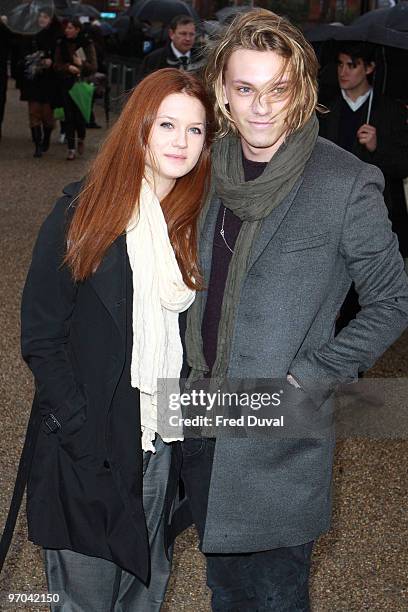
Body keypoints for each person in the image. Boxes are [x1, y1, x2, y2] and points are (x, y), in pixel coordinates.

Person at [180, 10, 408, 611]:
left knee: (278, 596)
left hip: (282, 421)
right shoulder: (197, 171)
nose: (261, 107)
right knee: (224, 590)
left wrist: (312, 377)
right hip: (202, 415)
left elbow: (392, 300)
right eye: (246, 89)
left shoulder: (344, 183)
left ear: (302, 90)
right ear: (223, 93)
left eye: (277, 89)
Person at [10, 68, 213, 611]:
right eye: (167, 124)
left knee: (143, 594)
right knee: (86, 598)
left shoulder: (194, 224)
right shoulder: (84, 213)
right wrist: (77, 426)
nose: (181, 141)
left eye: (196, 130)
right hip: (93, 446)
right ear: (139, 128)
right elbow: (42, 334)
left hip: (163, 440)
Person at [319, 41, 408, 261]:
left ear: (369, 68)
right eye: (340, 65)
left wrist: (377, 147)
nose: (343, 72)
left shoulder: (391, 111)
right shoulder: (325, 109)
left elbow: (403, 165)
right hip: (334, 216)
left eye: (352, 65)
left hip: (379, 215)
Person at [18, 9, 62, 157]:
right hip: (34, 81)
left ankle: (46, 138)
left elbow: (61, 58)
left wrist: (52, 62)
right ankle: (37, 144)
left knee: (48, 116)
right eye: (40, 17)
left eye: (45, 17)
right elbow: (22, 55)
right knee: (34, 113)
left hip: (50, 82)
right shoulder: (30, 36)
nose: (42, 19)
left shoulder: (56, 37)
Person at [54, 18, 97, 160]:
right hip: (66, 84)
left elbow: (93, 66)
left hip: (81, 85)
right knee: (68, 116)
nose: (67, 30)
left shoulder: (86, 43)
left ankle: (81, 138)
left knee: (79, 117)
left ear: (77, 29)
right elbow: (57, 64)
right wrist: (67, 67)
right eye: (66, 28)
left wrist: (81, 64)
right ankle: (71, 148)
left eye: (70, 28)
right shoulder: (61, 43)